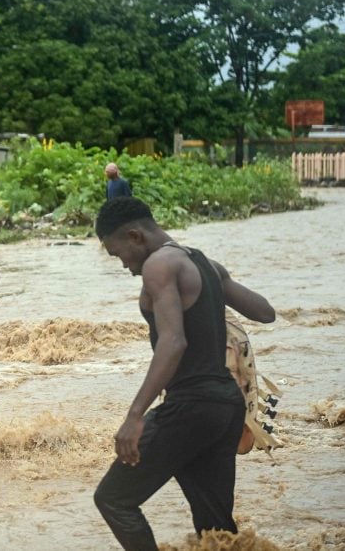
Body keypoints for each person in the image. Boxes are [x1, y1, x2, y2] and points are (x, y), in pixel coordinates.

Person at [92, 197, 275, 550]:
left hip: (191, 406)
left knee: (113, 499)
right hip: (225, 405)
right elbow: (265, 312)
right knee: (216, 530)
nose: (124, 266)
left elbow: (173, 342)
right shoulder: (202, 261)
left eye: (119, 254)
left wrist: (134, 416)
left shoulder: (159, 265)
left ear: (135, 236)